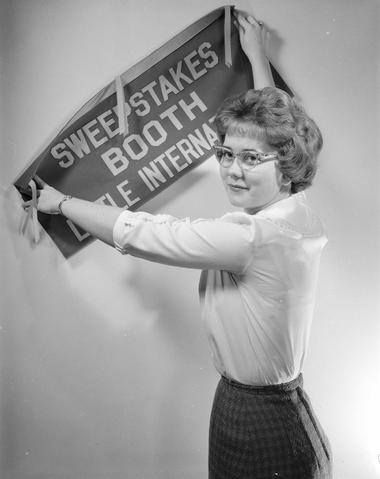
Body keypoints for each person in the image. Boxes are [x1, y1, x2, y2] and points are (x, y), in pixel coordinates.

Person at [29, 10, 332, 479]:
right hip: (262, 407)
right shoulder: (295, 209)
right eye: (226, 154)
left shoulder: (252, 237)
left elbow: (147, 233)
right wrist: (256, 57)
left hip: (263, 422)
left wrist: (63, 202)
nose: (233, 169)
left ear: (286, 165)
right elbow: (279, 131)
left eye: (250, 159)